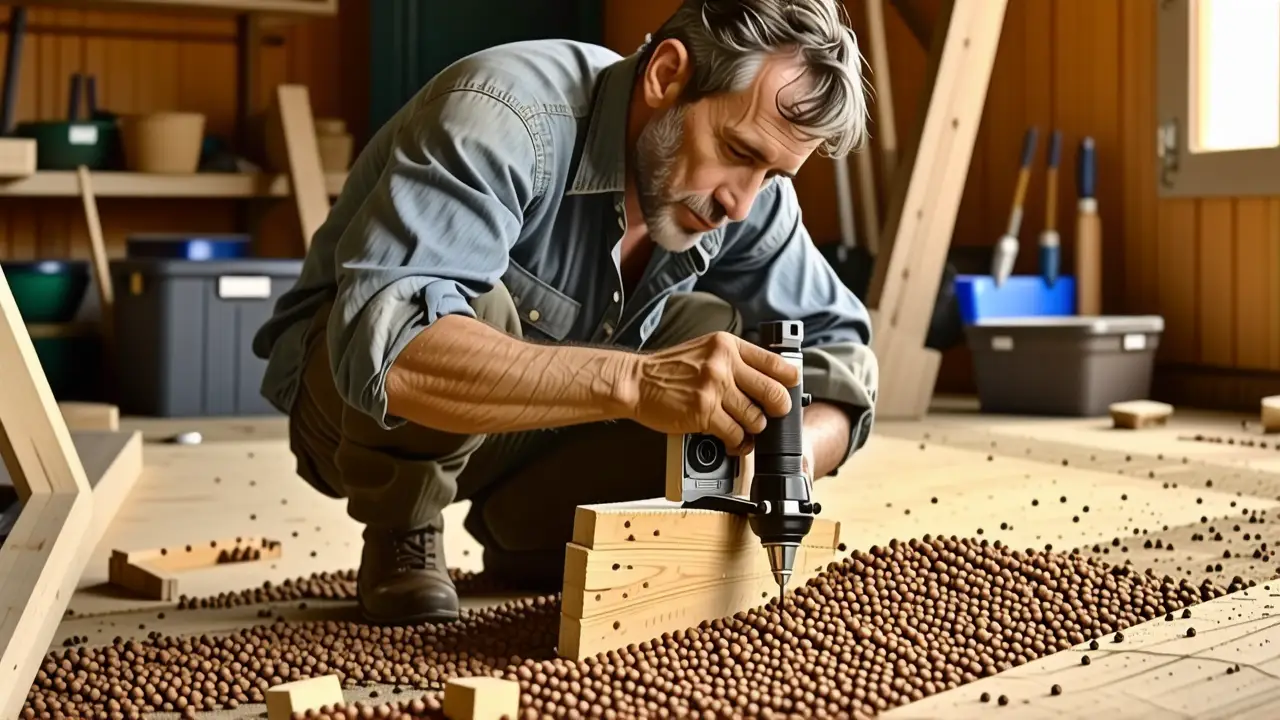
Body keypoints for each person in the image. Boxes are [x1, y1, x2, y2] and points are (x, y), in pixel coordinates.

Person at [252, 0, 880, 626]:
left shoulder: (751, 197)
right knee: (470, 308)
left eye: (772, 175)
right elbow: (394, 350)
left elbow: (842, 351)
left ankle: (533, 536)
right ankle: (403, 524)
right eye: (737, 150)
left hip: (537, 429)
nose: (740, 204)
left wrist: (789, 459)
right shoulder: (504, 113)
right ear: (666, 75)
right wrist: (639, 382)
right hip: (358, 414)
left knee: (726, 353)